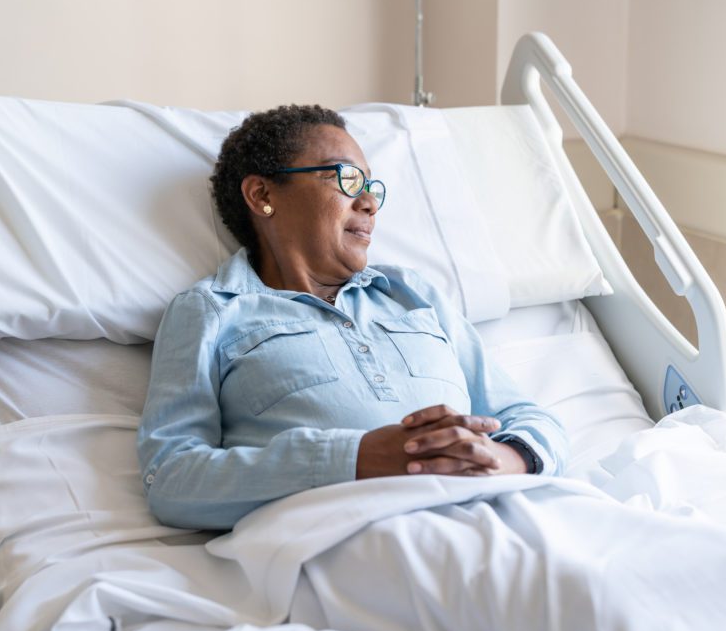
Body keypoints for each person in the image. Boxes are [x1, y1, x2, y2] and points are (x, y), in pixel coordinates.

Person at [137, 104, 568, 530]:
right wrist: (355, 458)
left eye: (373, 188)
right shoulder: (212, 310)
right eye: (346, 178)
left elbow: (531, 419)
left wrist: (502, 458)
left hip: (501, 510)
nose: (368, 203)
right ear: (263, 195)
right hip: (357, 533)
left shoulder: (412, 294)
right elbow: (171, 478)